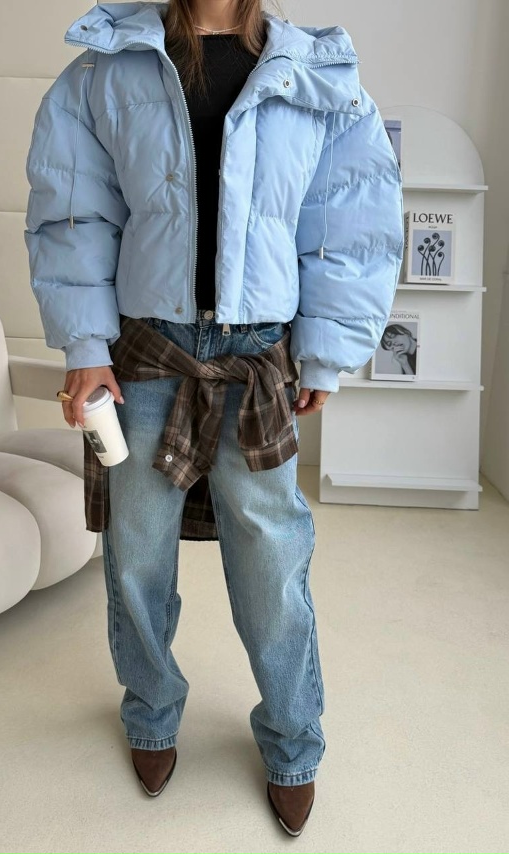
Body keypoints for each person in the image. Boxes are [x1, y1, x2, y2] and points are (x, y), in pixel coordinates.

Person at [24, 0, 404, 837]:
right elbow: (74, 211)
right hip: (144, 354)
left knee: (272, 565)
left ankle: (293, 740)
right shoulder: (107, 68)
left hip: (258, 357)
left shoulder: (319, 78)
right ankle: (151, 712)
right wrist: (84, 345)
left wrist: (326, 352)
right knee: (136, 556)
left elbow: (350, 217)